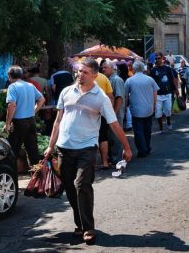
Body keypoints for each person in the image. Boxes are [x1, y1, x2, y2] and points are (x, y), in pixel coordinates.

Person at [43, 58, 132, 244]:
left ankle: (88, 227)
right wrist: (50, 146)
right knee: (69, 188)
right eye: (78, 71)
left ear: (94, 75)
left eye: (84, 72)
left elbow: (114, 124)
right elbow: (58, 121)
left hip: (87, 148)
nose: (79, 75)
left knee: (82, 185)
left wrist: (126, 147)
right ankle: (80, 223)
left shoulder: (100, 98)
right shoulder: (66, 92)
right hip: (64, 148)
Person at [4, 65, 45, 165]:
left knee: (13, 151)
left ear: (9, 75)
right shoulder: (30, 85)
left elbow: (12, 105)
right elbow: (42, 99)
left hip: (18, 122)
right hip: (31, 121)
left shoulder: (12, 86)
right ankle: (37, 178)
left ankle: (12, 176)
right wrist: (33, 111)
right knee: (33, 151)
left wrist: (8, 123)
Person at [125, 60, 159, 157]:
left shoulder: (129, 80)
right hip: (148, 109)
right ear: (143, 68)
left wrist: (126, 106)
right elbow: (155, 93)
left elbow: (126, 95)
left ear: (134, 69)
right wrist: (154, 104)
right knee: (147, 130)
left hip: (136, 110)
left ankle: (142, 150)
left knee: (138, 131)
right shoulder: (150, 79)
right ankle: (147, 147)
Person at [102, 60, 126, 167]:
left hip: (116, 114)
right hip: (110, 114)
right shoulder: (107, 80)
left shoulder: (117, 80)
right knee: (110, 136)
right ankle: (113, 158)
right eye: (102, 68)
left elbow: (119, 98)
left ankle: (118, 159)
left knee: (116, 137)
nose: (103, 69)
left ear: (112, 68)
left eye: (105, 68)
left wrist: (114, 113)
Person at [150, 52, 179, 131]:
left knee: (168, 110)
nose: (157, 60)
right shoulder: (153, 70)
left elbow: (173, 79)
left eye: (159, 58)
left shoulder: (168, 68)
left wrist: (176, 89)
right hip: (158, 94)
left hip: (167, 93)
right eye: (156, 58)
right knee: (158, 112)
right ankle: (161, 127)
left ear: (162, 58)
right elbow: (151, 82)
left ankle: (169, 122)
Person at [94, 64, 115, 169]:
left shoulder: (82, 77)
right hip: (102, 112)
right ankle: (105, 162)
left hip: (88, 113)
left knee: (91, 137)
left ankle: (91, 164)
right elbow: (111, 96)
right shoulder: (104, 78)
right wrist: (109, 111)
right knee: (103, 137)